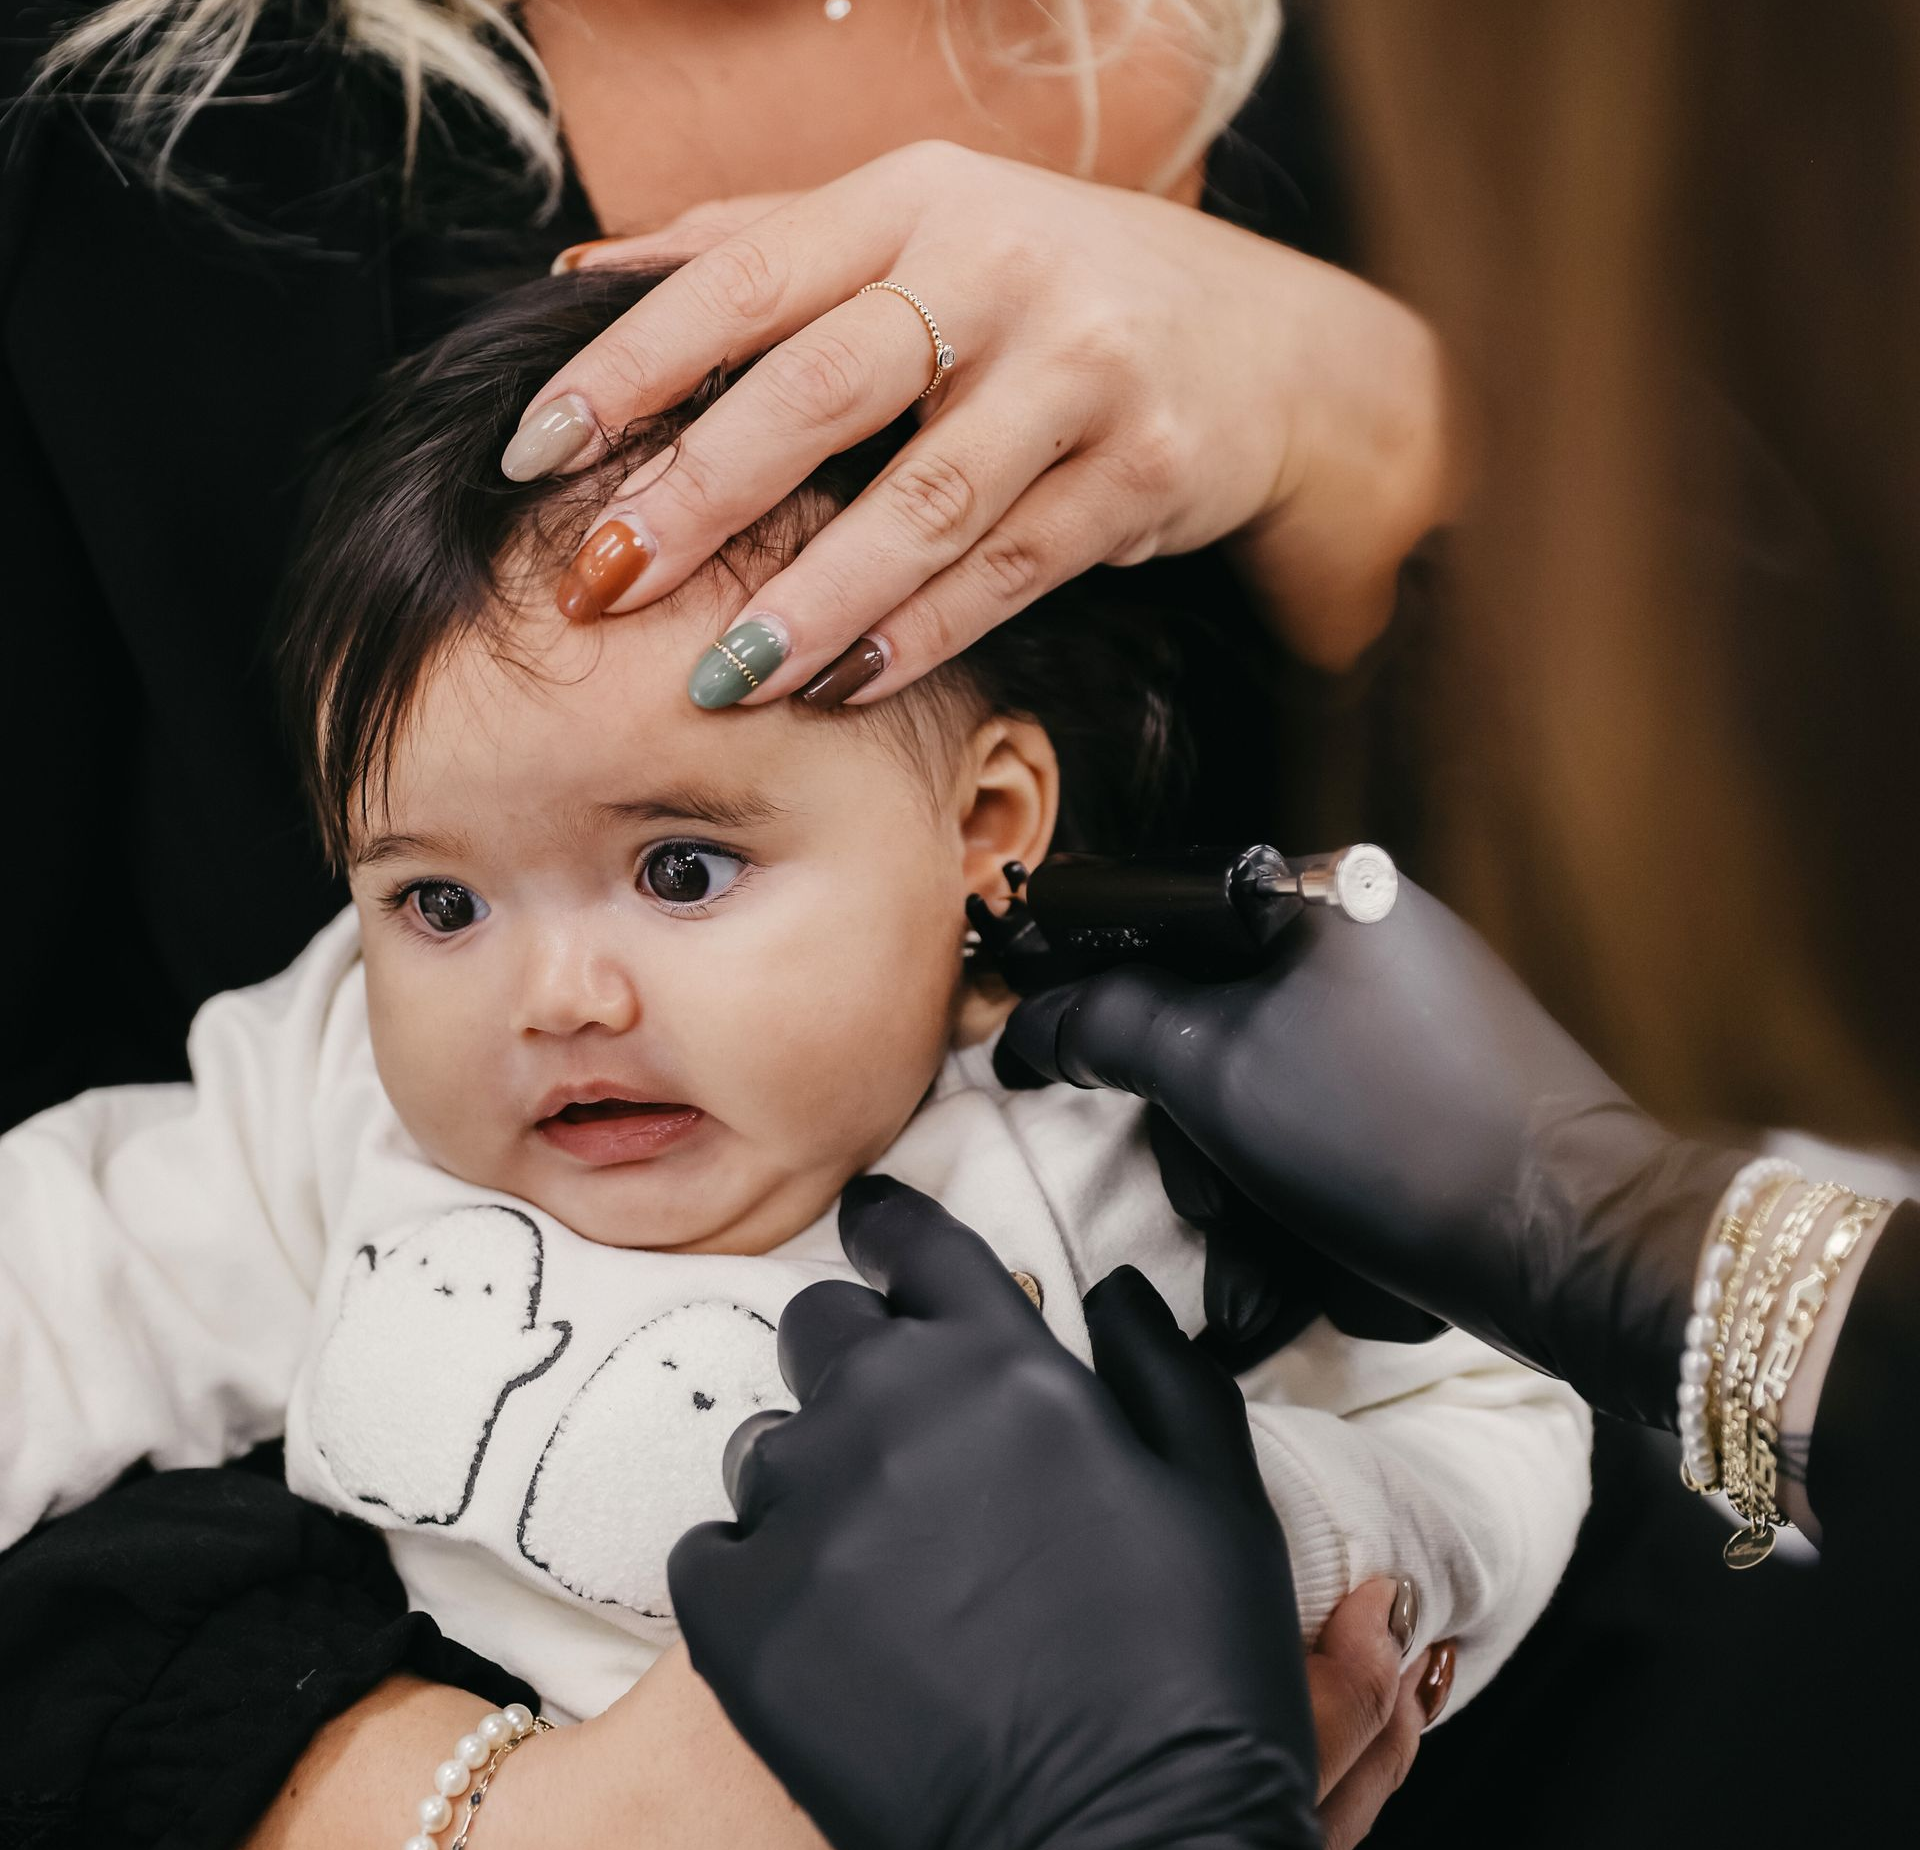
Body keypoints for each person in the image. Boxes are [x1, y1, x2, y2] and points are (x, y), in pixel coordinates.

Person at [0, 265, 1581, 1842]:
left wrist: (1262, 1542)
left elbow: (1496, 1411)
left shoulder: (1121, 1141)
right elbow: (68, 1272)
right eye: (441, 901)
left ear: (985, 827)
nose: (556, 996)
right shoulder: (340, 1088)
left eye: (682, 868)